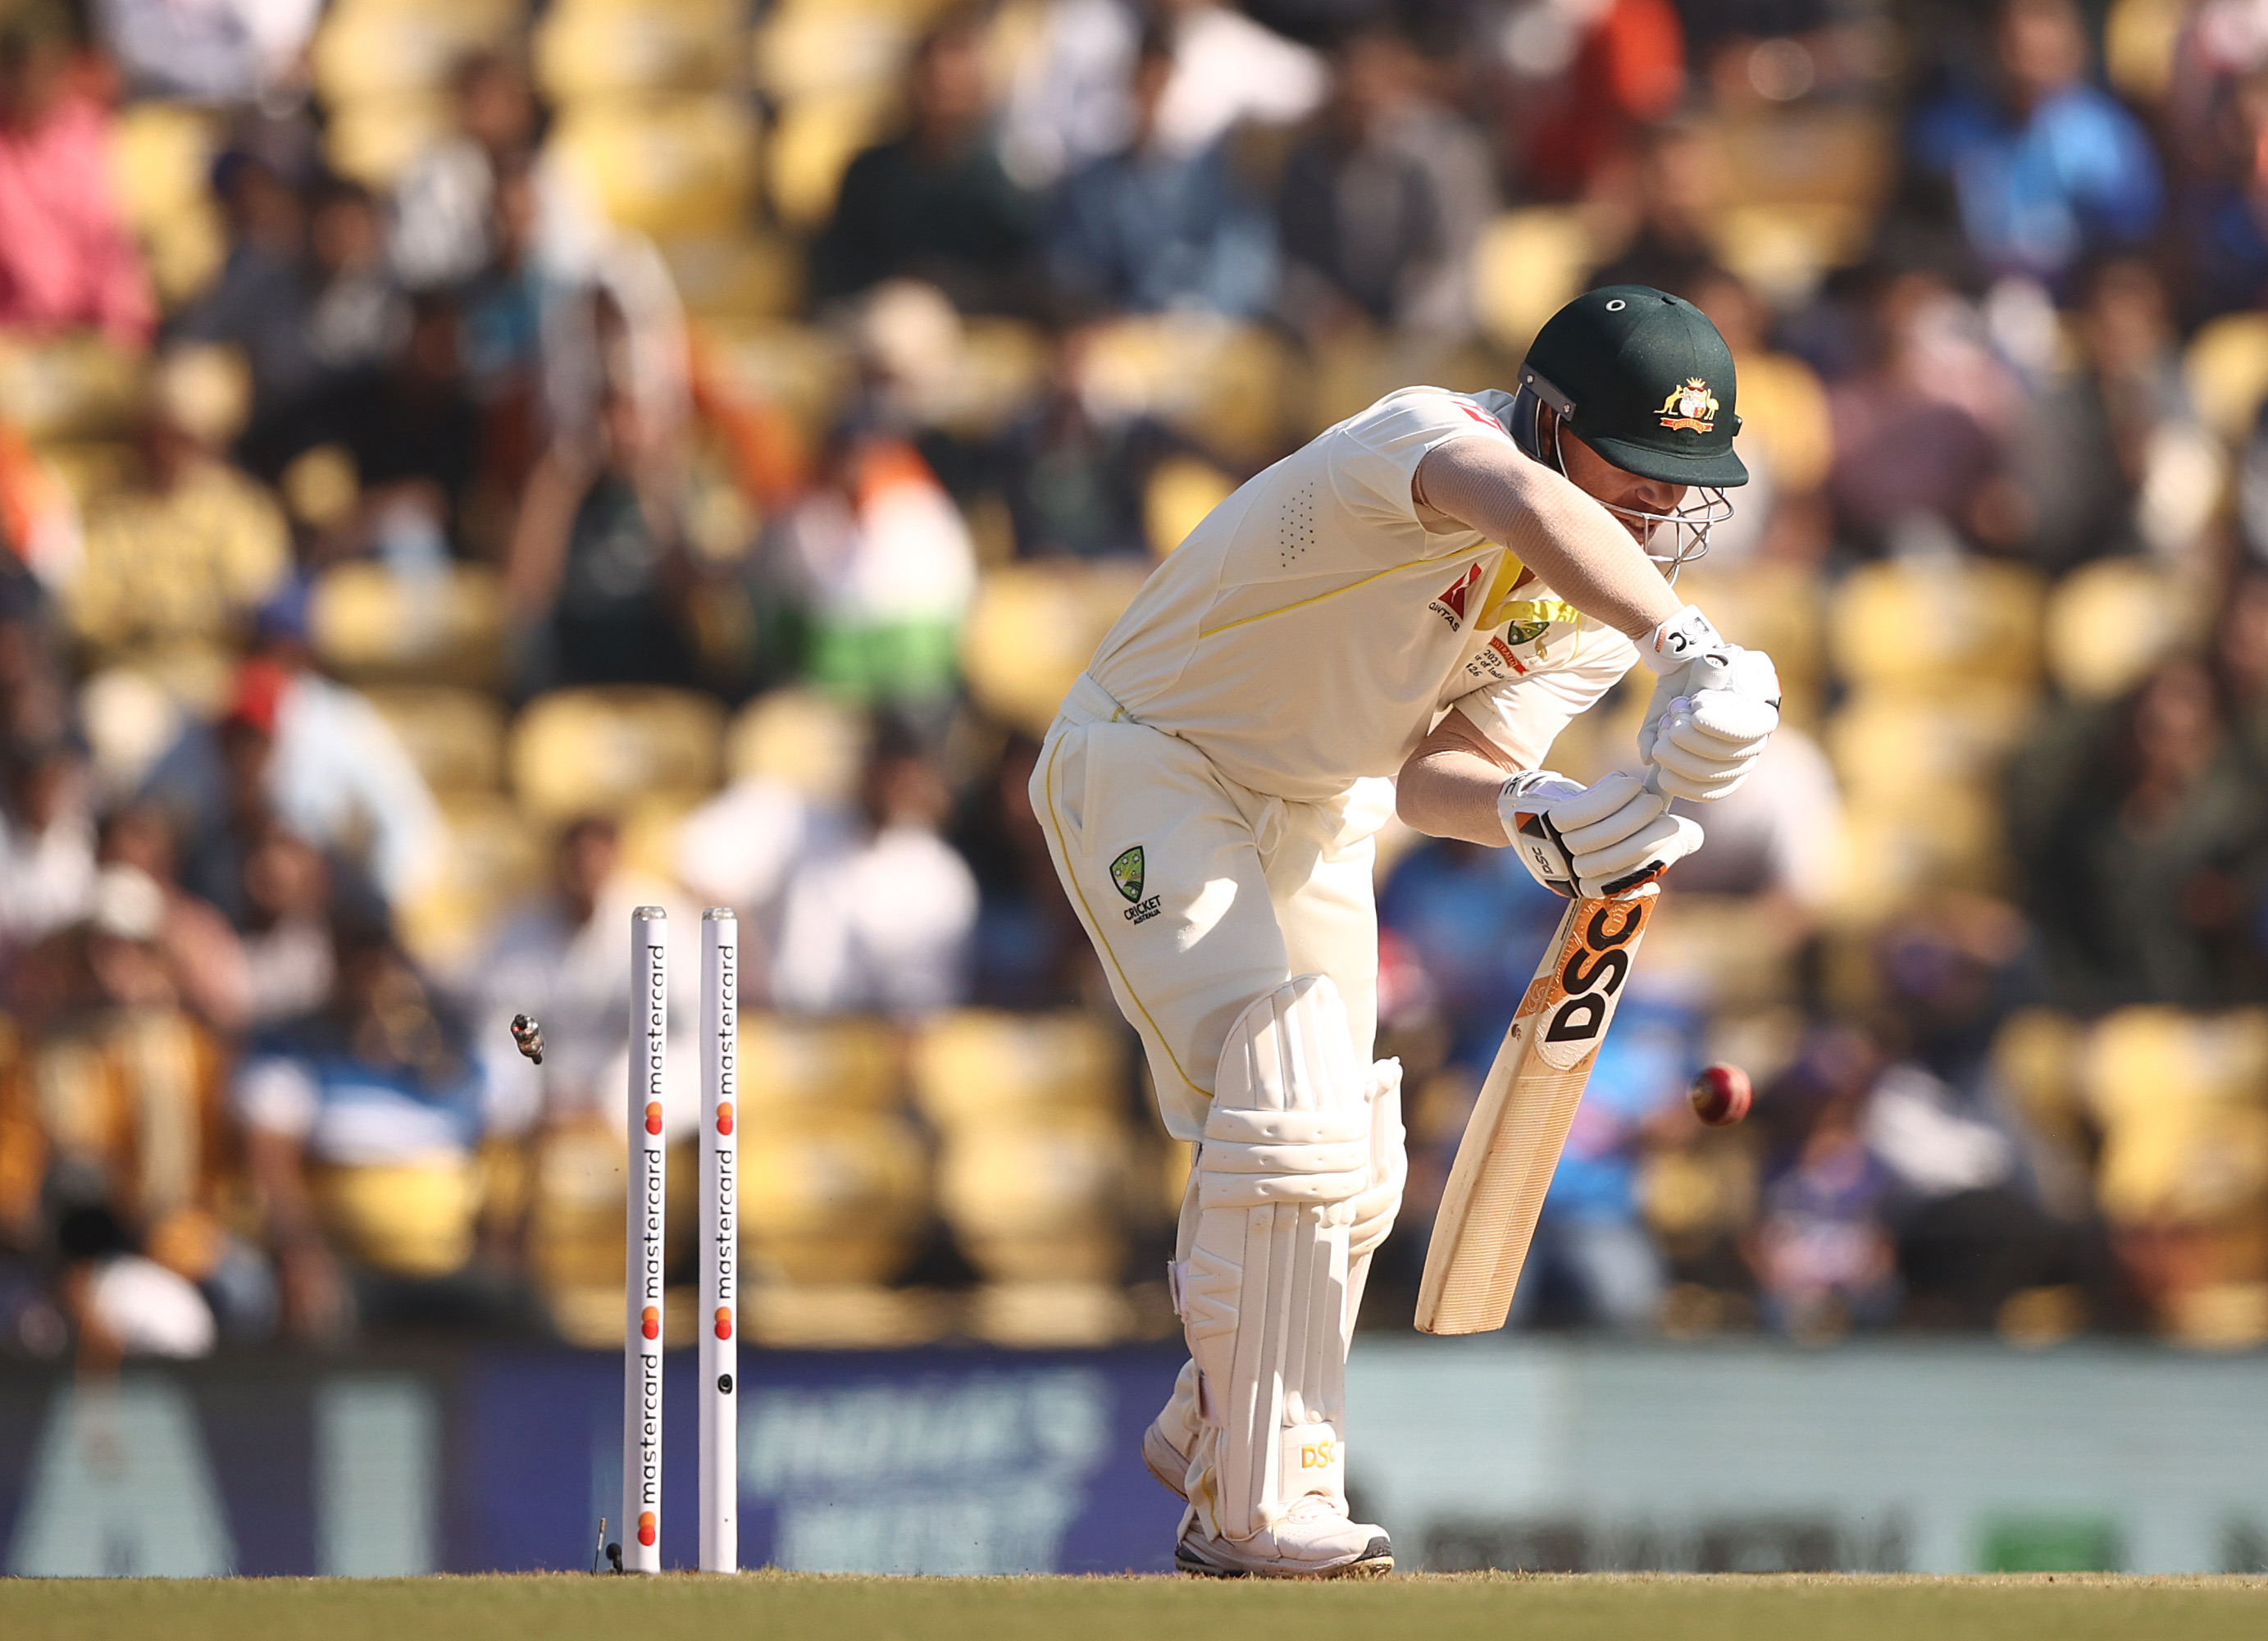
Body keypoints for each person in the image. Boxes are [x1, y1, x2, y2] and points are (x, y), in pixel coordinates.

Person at [1032, 285, 1780, 1576]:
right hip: (1151, 760)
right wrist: (1687, 644)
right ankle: (1256, 1505)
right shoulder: (1425, 436)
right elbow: (1524, 509)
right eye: (1639, 465)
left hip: (1320, 814)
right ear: (1547, 420)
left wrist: (1544, 814)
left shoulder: (1602, 600)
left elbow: (1446, 768)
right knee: (1281, 1092)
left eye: (1683, 477)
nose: (1661, 503)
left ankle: (1221, 1416)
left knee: (1352, 1153)